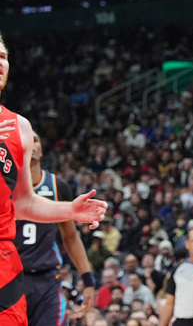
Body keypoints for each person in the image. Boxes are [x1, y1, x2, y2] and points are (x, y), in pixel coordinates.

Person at [0, 32, 108, 325]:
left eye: (4, 57)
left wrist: (70, 209)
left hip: (8, 269)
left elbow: (21, 202)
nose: (0, 63)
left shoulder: (19, 127)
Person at [14, 134, 97, 326]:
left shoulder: (57, 186)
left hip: (47, 279)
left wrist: (88, 279)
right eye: (26, 140)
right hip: (11, 279)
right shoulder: (6, 186)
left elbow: (70, 236)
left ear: (42, 149)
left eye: (36, 139)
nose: (32, 145)